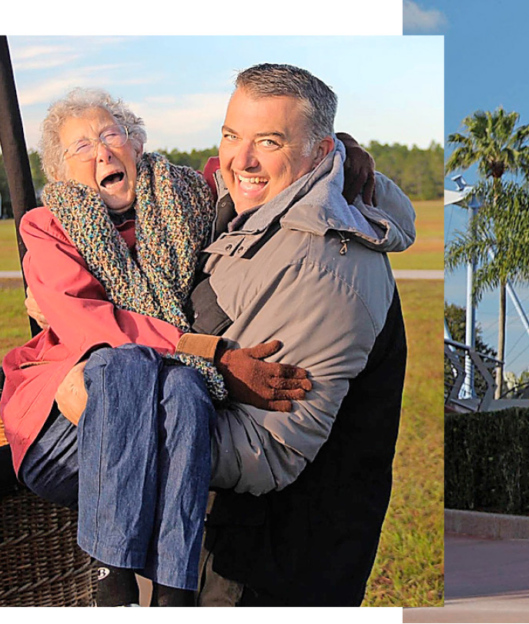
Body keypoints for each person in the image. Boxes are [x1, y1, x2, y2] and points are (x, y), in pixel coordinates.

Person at [0, 88, 314, 606]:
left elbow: (249, 166)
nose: (102, 152)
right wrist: (208, 350)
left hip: (161, 412)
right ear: (59, 172)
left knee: (187, 390)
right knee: (122, 363)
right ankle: (113, 585)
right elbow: (89, 324)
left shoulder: (183, 196)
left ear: (136, 143)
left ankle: (173, 595)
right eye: (81, 147)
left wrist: (338, 149)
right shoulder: (47, 225)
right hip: (62, 430)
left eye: (110, 134)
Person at [189, 63, 415, 607]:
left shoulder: (325, 262)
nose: (239, 160)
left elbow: (263, 452)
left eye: (269, 141)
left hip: (267, 570)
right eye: (230, 136)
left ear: (319, 156)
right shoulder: (257, 213)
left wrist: (120, 427)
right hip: (219, 548)